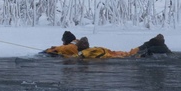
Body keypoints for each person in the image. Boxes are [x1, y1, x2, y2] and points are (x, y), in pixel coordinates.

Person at [42, 32, 170, 58]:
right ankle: (153, 43)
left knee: (131, 55)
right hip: (108, 52)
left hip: (108, 55)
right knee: (128, 53)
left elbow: (56, 50)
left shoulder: (70, 47)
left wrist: (48, 50)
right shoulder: (79, 44)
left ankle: (152, 46)